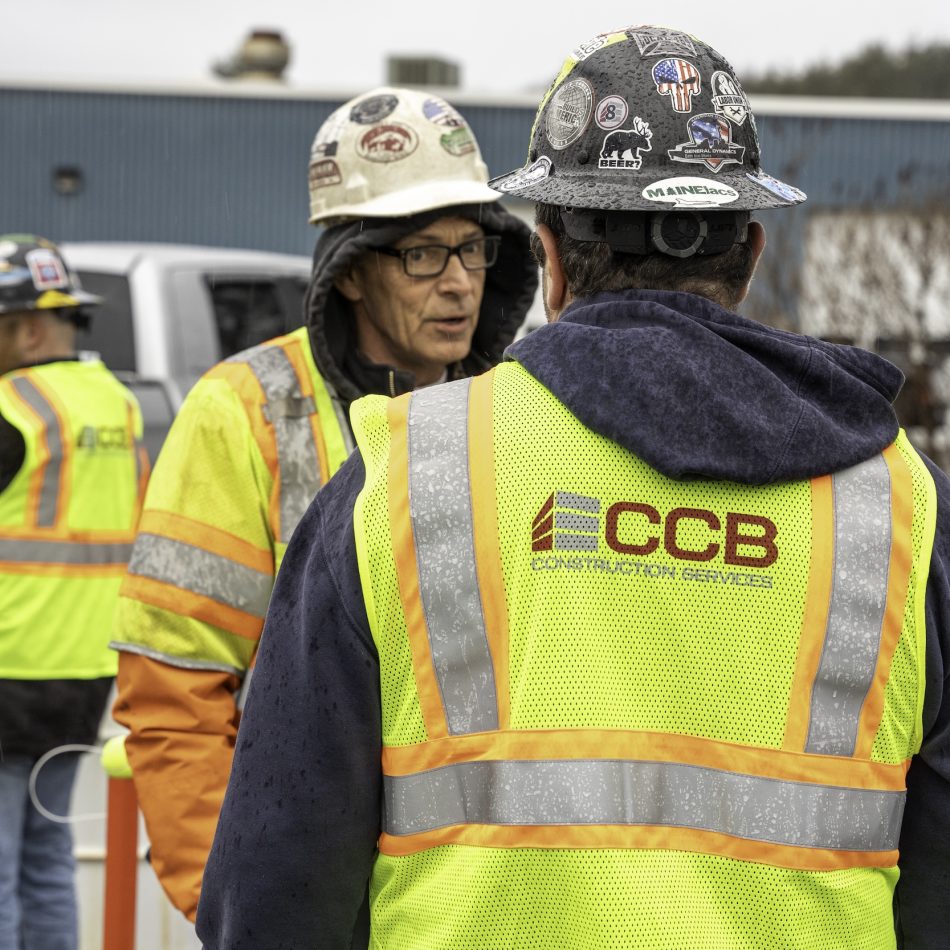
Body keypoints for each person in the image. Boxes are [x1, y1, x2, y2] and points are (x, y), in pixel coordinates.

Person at [196, 28, 950, 949]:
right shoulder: (905, 511)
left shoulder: (403, 479)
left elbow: (275, 888)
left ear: (546, 257)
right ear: (749, 255)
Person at [109, 86, 537, 923]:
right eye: (422, 255)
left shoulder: (514, 413)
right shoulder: (247, 411)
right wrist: (231, 912)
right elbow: (176, 695)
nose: (458, 285)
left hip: (468, 910)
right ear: (350, 272)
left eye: (473, 251)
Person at [0, 235, 147, 950]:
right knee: (47, 858)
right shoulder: (118, 407)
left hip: (8, 666)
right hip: (84, 673)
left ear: (23, 326)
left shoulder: (12, 407)